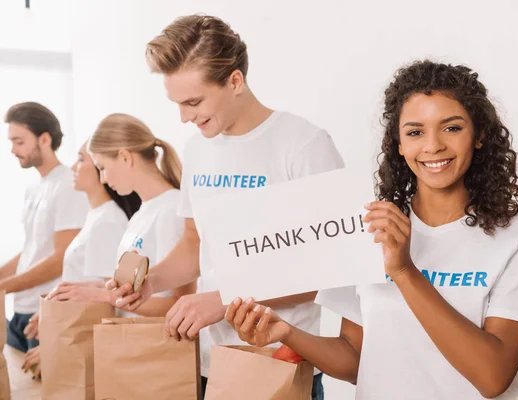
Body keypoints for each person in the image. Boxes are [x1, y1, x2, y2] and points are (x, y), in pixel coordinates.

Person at [225, 60, 518, 399]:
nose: (432, 146)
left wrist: (403, 270)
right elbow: (358, 360)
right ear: (399, 145)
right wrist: (286, 332)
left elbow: (492, 376)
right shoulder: (371, 227)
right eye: (415, 132)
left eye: (452, 128)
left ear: (479, 135)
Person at [110, 14, 345, 399]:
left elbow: (325, 270)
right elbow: (193, 243)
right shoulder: (198, 150)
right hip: (210, 361)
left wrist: (222, 300)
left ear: (235, 81)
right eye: (177, 104)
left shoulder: (303, 145)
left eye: (193, 101)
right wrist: (151, 283)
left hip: (280, 364)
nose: (184, 117)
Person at [50, 113, 196, 317]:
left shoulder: (171, 210)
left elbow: (180, 303)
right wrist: (100, 288)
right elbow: (138, 286)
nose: (102, 179)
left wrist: (108, 297)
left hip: (154, 343)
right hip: (134, 341)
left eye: (102, 168)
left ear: (125, 157)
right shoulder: (143, 212)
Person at [21, 140, 142, 378]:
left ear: (100, 166)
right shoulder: (96, 216)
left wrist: (55, 347)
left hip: (84, 346)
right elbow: (87, 286)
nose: (73, 167)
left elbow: (109, 303)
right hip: (75, 338)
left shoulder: (107, 221)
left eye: (80, 158)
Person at [0, 102, 88, 354]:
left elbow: (61, 258)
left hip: (44, 313)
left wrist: (3, 287)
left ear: (44, 139)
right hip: (20, 311)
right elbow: (32, 249)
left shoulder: (68, 187)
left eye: (19, 141)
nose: (13, 150)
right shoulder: (35, 188)